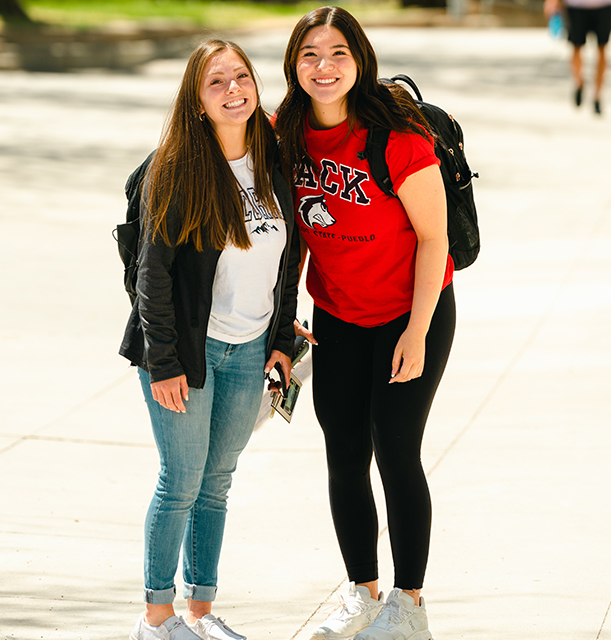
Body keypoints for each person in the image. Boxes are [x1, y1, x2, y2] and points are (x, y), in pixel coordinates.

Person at [275, 7, 456, 640]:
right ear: (294, 66)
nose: (324, 68)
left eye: (338, 54)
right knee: (344, 453)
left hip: (413, 311)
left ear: (360, 60)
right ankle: (362, 592)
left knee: (397, 452)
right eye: (309, 56)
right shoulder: (286, 133)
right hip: (338, 315)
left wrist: (416, 332)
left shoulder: (397, 136)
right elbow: (282, 232)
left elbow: (435, 241)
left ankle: (409, 606)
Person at [119, 39, 300, 640]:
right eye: (215, 82)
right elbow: (152, 275)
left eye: (241, 77)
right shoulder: (177, 168)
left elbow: (288, 258)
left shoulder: (274, 159)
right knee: (181, 481)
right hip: (185, 355)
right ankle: (156, 616)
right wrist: (164, 361)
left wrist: (280, 338)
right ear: (196, 101)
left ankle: (201, 613)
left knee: (217, 483)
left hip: (250, 351)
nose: (232, 90)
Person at [545, 0, 611, 114]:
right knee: (576, 48)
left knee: (602, 50)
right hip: (576, 6)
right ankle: (579, 83)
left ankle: (597, 96)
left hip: (604, 6)